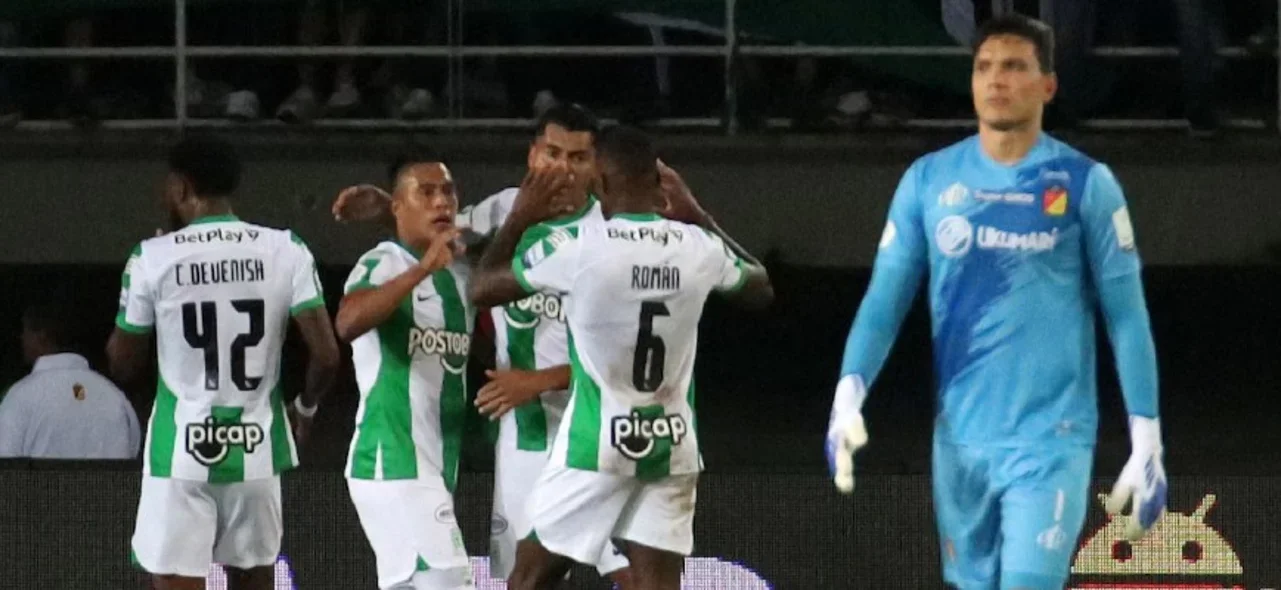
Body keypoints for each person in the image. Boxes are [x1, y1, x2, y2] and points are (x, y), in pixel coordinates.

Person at [824, 15, 1166, 590]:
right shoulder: (929, 181)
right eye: (984, 67)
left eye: (1014, 66)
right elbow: (884, 301)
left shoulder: (1085, 183)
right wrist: (847, 396)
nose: (996, 79)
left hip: (1050, 441)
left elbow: (1127, 317)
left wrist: (1148, 437)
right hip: (959, 443)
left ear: (1048, 85)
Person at [333, 104, 641, 585]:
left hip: (591, 434)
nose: (562, 169)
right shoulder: (500, 212)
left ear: (596, 165)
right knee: (523, 579)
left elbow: (634, 356)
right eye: (552, 154)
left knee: (633, 573)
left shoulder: (614, 236)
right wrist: (390, 207)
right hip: (519, 442)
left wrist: (537, 380)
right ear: (532, 154)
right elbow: (433, 239)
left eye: (578, 158)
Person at [468, 125, 774, 590]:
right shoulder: (697, 247)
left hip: (597, 443)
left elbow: (481, 288)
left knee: (528, 579)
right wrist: (698, 215)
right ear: (659, 182)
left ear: (602, 184)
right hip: (671, 443)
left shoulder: (581, 248)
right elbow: (761, 288)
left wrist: (518, 218)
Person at [107, 135, 341, 590]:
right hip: (257, 448)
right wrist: (305, 407)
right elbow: (327, 356)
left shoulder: (152, 257)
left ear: (180, 186)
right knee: (255, 579)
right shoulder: (285, 249)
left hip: (181, 455)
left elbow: (122, 362)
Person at [334, 149, 478, 590]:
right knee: (451, 580)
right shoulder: (383, 262)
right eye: (426, 193)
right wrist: (421, 270)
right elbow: (347, 322)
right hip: (393, 460)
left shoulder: (462, 273)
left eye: (448, 192)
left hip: (434, 466)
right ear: (398, 206)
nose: (441, 202)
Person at [0, 302, 139, 459]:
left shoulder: (19, 397)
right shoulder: (116, 398)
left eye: (25, 331)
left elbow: (5, 465)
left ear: (41, 336)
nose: (21, 338)